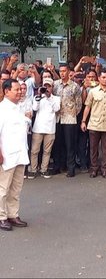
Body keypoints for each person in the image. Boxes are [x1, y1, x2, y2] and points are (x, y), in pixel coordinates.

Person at [0, 79, 31, 231]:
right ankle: (2, 216)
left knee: (16, 188)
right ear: (6, 91)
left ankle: (13, 214)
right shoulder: (2, 109)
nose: (20, 92)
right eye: (17, 89)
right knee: (3, 188)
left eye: (21, 89)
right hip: (7, 155)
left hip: (20, 153)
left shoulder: (18, 108)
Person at [80, 70, 106, 179]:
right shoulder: (93, 91)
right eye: (103, 77)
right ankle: (94, 169)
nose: (105, 79)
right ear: (99, 78)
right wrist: (83, 121)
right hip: (94, 124)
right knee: (93, 149)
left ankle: (105, 169)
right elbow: (87, 107)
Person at [28, 78, 61, 179]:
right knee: (34, 151)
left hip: (50, 129)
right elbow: (34, 108)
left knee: (47, 151)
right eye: (45, 86)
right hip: (38, 128)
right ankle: (33, 170)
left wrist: (49, 97)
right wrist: (39, 96)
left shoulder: (56, 98)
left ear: (52, 87)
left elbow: (57, 109)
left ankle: (44, 169)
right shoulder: (37, 97)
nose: (47, 88)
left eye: (49, 86)